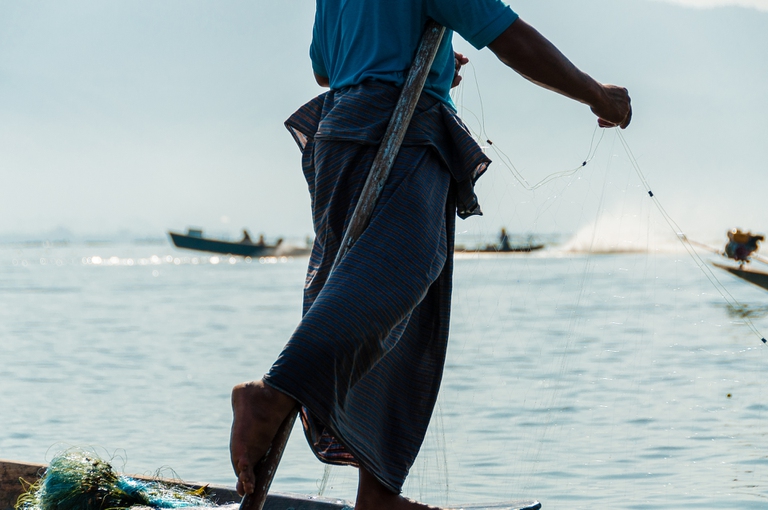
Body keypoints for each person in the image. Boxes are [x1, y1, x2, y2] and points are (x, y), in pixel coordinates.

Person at [230, 2, 632, 509]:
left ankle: (378, 493)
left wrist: (431, 61)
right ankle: (271, 393)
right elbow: (511, 39)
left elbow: (325, 68)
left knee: (404, 323)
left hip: (347, 128)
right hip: (392, 130)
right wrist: (600, 96)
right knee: (392, 278)